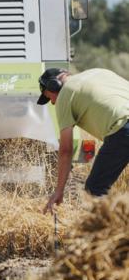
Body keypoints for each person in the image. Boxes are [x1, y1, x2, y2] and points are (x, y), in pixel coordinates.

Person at [37, 68, 129, 214]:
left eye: (51, 98)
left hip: (122, 129)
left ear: (55, 85)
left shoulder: (65, 95)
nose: (53, 103)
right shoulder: (99, 72)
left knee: (94, 191)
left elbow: (66, 151)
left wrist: (59, 191)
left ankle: (106, 235)